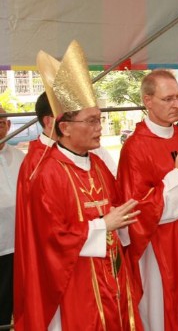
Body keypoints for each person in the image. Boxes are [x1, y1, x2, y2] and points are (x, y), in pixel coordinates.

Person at [14, 41, 142, 330]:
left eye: (100, 119)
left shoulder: (96, 164)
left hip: (111, 273)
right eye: (92, 120)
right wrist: (102, 226)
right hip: (74, 282)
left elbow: (117, 209)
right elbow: (49, 238)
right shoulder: (47, 172)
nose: (99, 127)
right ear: (64, 126)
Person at [117, 70, 178, 330]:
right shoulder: (135, 148)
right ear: (148, 101)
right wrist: (177, 176)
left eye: (177, 99)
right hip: (160, 247)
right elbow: (135, 212)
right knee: (167, 312)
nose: (176, 105)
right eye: (168, 99)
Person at [0, 107, 25, 327]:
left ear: (8, 126)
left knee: (15, 301)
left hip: (19, 246)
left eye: (1, 122)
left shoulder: (20, 157)